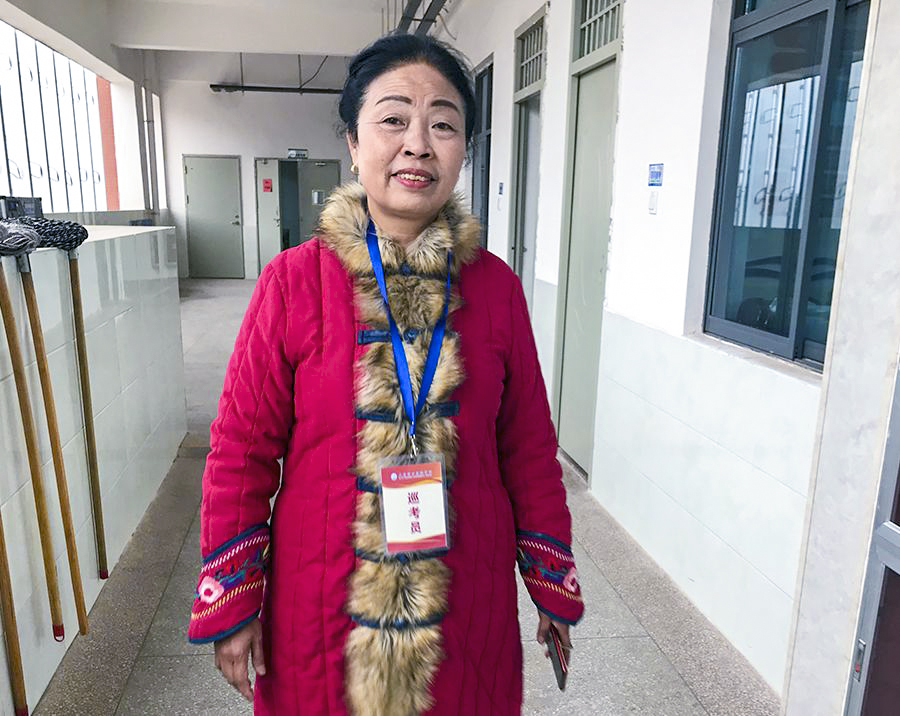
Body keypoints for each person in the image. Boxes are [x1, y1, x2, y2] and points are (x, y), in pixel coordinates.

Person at [187, 33, 584, 716]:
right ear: (352, 141)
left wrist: (551, 585)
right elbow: (240, 453)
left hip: (467, 599)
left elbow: (528, 450)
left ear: (464, 149)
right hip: (321, 599)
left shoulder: (496, 289)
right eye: (394, 119)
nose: (418, 145)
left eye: (444, 125)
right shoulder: (292, 283)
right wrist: (234, 599)